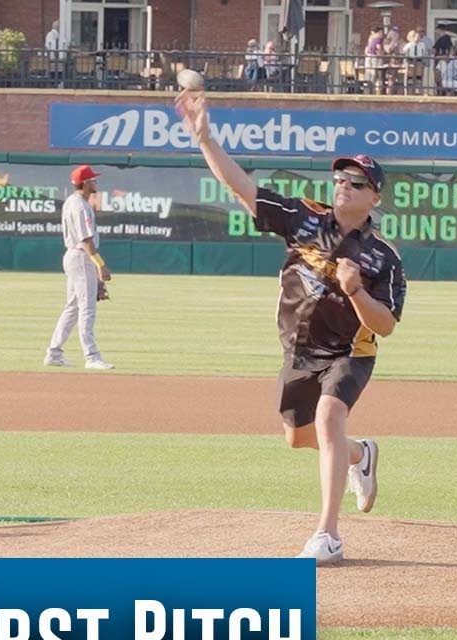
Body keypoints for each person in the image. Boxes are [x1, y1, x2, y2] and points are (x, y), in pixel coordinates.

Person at [174, 89, 406, 566]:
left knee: (327, 419)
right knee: (300, 437)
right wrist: (204, 139)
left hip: (349, 352)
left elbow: (385, 326)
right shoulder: (304, 218)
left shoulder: (383, 257)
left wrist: (357, 291)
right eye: (341, 177)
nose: (345, 184)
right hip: (299, 351)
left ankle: (328, 535)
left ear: (375, 197)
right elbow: (243, 187)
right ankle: (361, 455)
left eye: (358, 182)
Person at [44, 165, 114, 370]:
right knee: (87, 309)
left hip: (76, 258)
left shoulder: (73, 202)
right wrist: (100, 266)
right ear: (85, 183)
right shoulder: (80, 206)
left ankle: (54, 353)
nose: (95, 182)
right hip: (81, 257)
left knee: (73, 308)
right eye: (92, 180)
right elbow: (85, 240)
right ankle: (91, 357)